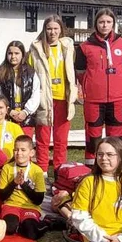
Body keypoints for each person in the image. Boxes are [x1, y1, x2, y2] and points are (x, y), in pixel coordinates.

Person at [76, 9, 122, 165]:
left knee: (116, 137)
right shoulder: (84, 47)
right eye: (101, 22)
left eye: (108, 22)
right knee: (93, 136)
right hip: (94, 100)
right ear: (95, 24)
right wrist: (93, 84)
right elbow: (80, 72)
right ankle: (91, 169)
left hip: (117, 99)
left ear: (113, 23)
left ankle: (116, 168)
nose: (105, 25)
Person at [31, 16, 78, 170]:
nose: (52, 32)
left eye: (55, 28)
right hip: (44, 99)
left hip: (63, 98)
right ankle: (43, 170)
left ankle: (60, 169)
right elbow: (31, 72)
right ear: (44, 30)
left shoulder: (68, 47)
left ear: (61, 29)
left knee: (61, 139)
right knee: (42, 139)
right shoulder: (36, 48)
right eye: (49, 28)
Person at [0, 135, 50, 239]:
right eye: (16, 150)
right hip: (11, 205)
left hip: (30, 207)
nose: (19, 153)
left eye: (23, 150)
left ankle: (49, 223)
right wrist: (14, 183)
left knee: (31, 234)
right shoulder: (7, 168)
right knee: (10, 228)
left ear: (31, 152)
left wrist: (23, 184)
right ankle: (20, 224)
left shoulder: (37, 171)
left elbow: (38, 200)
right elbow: (2, 196)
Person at [0, 40, 41, 135]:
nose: (13, 56)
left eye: (16, 53)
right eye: (10, 53)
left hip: (26, 118)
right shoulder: (0, 73)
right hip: (5, 117)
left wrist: (26, 112)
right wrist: (8, 111)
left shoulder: (31, 73)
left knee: (24, 143)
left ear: (22, 55)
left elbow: (36, 95)